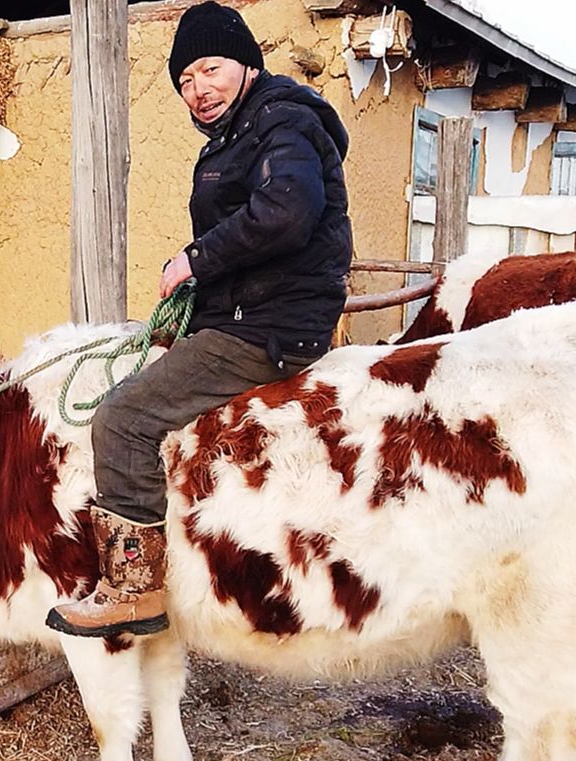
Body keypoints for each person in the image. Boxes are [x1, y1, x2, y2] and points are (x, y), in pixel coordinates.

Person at [47, 0, 353, 639]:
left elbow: (287, 212)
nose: (198, 89)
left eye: (209, 69)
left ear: (245, 63)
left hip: (267, 326)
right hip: (250, 314)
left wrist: (194, 258)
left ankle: (133, 590)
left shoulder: (282, 124)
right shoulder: (243, 133)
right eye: (185, 80)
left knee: (122, 419)